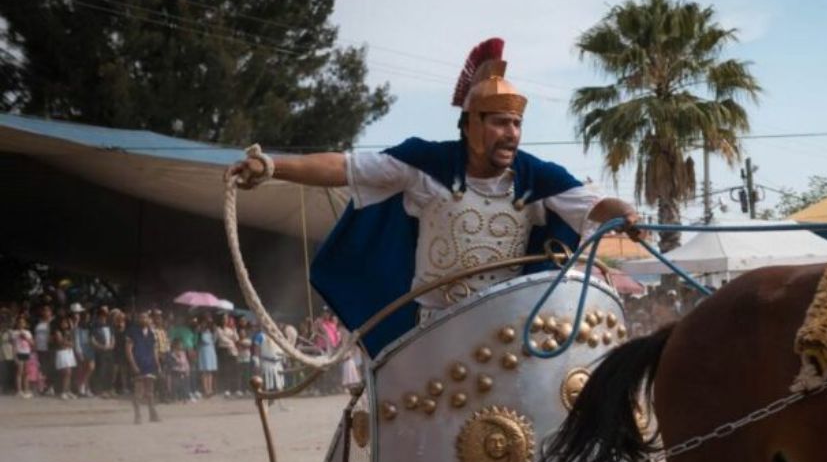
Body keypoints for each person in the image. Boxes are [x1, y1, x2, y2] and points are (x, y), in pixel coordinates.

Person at [225, 37, 642, 357]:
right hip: (433, 336)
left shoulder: (537, 178)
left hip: (514, 335)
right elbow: (344, 167)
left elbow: (591, 204)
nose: (511, 133)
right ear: (470, 124)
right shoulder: (425, 165)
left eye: (516, 124)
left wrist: (624, 211)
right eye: (499, 122)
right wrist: (274, 167)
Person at [125, 311, 161, 423]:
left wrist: (158, 364)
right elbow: (128, 350)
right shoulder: (132, 332)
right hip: (138, 363)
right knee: (138, 391)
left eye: (145, 317)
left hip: (149, 363)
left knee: (150, 391)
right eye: (141, 317)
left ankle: (152, 414)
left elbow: (154, 350)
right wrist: (133, 364)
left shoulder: (151, 333)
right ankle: (138, 415)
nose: (144, 319)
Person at [52, 315, 76, 400]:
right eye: (63, 323)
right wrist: (67, 340)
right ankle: (63, 392)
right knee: (66, 372)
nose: (65, 324)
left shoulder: (69, 332)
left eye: (66, 322)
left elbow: (73, 343)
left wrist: (68, 343)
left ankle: (68, 390)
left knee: (70, 373)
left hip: (69, 353)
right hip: (62, 353)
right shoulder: (58, 332)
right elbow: (61, 342)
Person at [11, 315, 34, 398]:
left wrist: (26, 337)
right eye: (19, 322)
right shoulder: (14, 333)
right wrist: (14, 356)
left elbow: (32, 344)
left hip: (26, 353)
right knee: (19, 372)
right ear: (17, 324)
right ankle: (19, 391)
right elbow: (13, 345)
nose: (21, 324)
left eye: (23, 323)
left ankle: (26, 390)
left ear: (25, 324)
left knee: (26, 372)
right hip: (19, 353)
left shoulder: (28, 332)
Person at [196, 315, 218, 398]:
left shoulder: (212, 330)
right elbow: (202, 340)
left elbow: (215, 340)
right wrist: (201, 328)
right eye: (207, 320)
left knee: (210, 371)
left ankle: (210, 389)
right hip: (204, 350)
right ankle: (206, 390)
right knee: (205, 371)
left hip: (211, 350)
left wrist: (215, 332)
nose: (208, 322)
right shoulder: (200, 330)